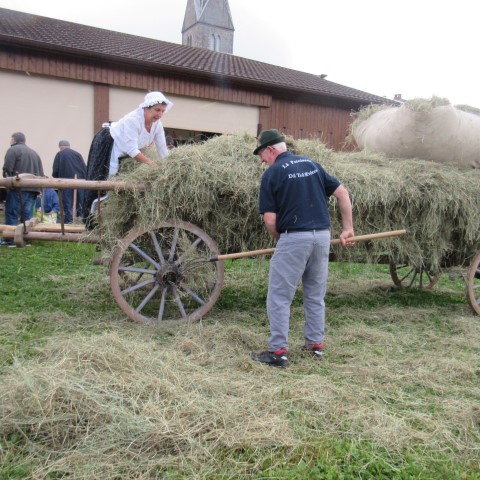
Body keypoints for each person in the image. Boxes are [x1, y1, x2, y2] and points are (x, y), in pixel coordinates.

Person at [250, 129, 354, 368]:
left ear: (271, 150)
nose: (261, 160)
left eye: (261, 154)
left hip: (295, 237)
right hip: (322, 237)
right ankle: (315, 346)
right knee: (315, 295)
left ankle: (278, 352)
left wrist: (285, 239)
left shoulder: (272, 173)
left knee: (279, 296)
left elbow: (270, 220)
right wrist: (348, 228)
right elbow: (342, 193)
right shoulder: (312, 164)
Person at [83, 91, 173, 222]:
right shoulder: (133, 120)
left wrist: (168, 167)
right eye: (157, 110)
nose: (159, 114)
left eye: (163, 111)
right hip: (110, 143)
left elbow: (162, 150)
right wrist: (153, 165)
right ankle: (93, 219)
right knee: (105, 179)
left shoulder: (157, 125)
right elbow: (132, 151)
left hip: (125, 150)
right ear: (146, 108)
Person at [1, 132, 44, 246]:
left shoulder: (13, 150)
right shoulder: (34, 153)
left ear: (14, 140)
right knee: (27, 215)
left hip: (18, 187)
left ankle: (10, 239)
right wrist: (39, 189)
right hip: (33, 188)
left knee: (12, 213)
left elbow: (7, 168)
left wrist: (8, 184)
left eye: (11, 139)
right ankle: (27, 238)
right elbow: (41, 172)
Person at [52, 140, 87, 223]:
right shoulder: (77, 154)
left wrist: (57, 179)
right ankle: (80, 222)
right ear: (69, 146)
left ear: (60, 147)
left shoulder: (59, 154)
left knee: (68, 206)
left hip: (66, 183)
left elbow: (55, 171)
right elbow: (85, 170)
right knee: (80, 205)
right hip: (80, 183)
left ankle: (69, 223)